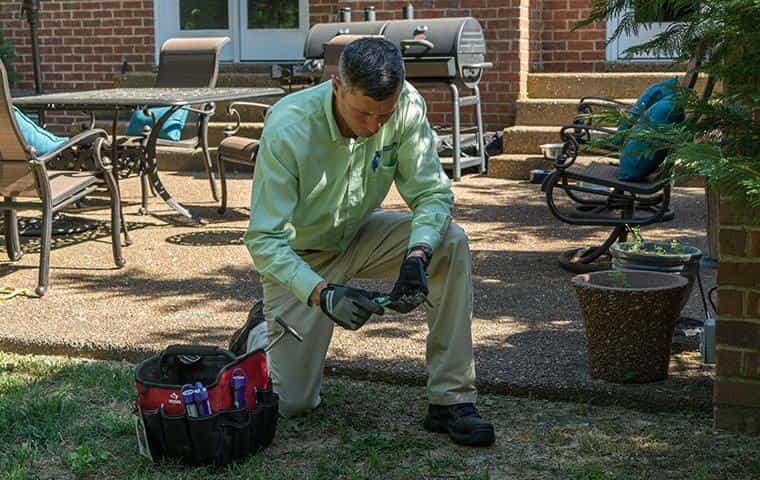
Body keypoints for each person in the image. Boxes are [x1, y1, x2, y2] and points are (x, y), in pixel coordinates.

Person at [240, 37, 495, 447]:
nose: (375, 125)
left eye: (384, 114)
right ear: (337, 86)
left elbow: (431, 193)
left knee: (450, 241)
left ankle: (451, 399)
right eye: (364, 113)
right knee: (292, 403)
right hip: (305, 257)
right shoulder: (289, 126)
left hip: (360, 232)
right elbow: (264, 240)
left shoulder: (407, 106)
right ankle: (259, 333)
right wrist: (321, 293)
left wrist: (417, 254)